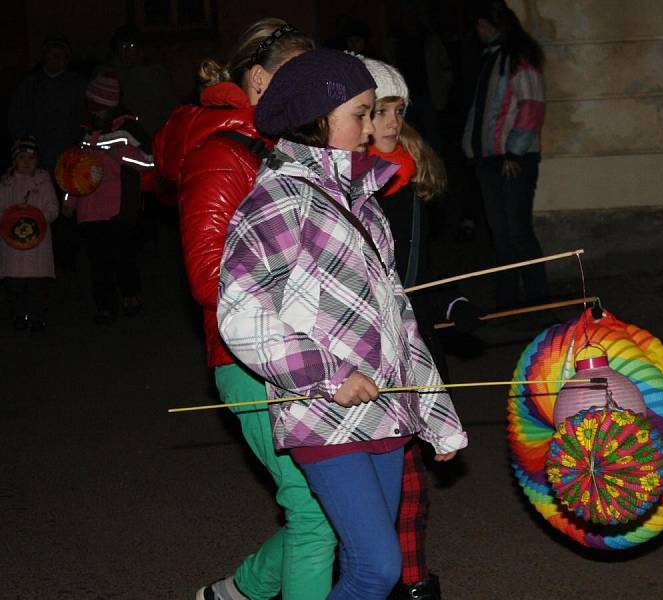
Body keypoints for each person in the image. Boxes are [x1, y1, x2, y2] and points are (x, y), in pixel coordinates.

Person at [217, 49, 468, 600]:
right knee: (375, 569)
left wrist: (436, 416)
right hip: (322, 413)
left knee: (376, 568)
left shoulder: (362, 201)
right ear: (315, 117)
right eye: (359, 112)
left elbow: (398, 319)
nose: (370, 126)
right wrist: (327, 373)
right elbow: (241, 314)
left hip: (383, 412)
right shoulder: (278, 201)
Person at [152, 20, 336, 600]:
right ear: (258, 80)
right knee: (315, 514)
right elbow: (209, 280)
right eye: (297, 78)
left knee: (327, 510)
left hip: (297, 350)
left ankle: (233, 594)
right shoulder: (222, 154)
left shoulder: (276, 146)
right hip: (249, 356)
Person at [363, 57, 479, 600]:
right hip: (365, 349)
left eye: (397, 110)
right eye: (378, 111)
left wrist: (452, 302)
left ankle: (411, 583)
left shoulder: (408, 179)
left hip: (411, 345)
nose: (390, 121)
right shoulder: (350, 185)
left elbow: (420, 270)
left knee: (411, 482)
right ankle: (380, 577)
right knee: (377, 487)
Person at [462, 0, 548, 309]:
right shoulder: (493, 58)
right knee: (501, 234)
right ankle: (508, 303)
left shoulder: (517, 58)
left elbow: (531, 106)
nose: (478, 31)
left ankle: (539, 301)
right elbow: (483, 110)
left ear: (493, 25)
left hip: (512, 160)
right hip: (490, 158)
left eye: (481, 24)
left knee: (517, 231)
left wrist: (515, 152)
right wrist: (472, 148)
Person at [63, 71, 150, 324]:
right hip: (89, 211)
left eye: (99, 108)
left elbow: (149, 163)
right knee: (98, 263)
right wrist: (69, 202)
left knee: (123, 256)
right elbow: (73, 173)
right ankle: (105, 305)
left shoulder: (127, 131)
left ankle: (130, 294)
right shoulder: (83, 136)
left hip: (118, 209)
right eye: (92, 107)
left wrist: (120, 155)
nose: (95, 113)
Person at [7, 34, 87, 272]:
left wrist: (81, 146)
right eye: (51, 56)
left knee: (66, 209)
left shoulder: (77, 84)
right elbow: (15, 117)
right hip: (36, 161)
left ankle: (66, 260)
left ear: (67, 58)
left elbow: (86, 117)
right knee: (37, 206)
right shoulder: (31, 85)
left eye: (59, 56)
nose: (55, 60)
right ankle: (36, 257)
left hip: (68, 160)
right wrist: (23, 148)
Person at [0, 136, 58, 331]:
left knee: (37, 284)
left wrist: (38, 217)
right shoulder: (6, 184)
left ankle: (36, 316)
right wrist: (10, 216)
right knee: (14, 284)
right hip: (12, 245)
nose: (26, 162)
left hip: (37, 244)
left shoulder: (42, 182)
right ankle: (19, 314)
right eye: (22, 158)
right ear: (14, 160)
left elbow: (52, 208)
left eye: (30, 158)